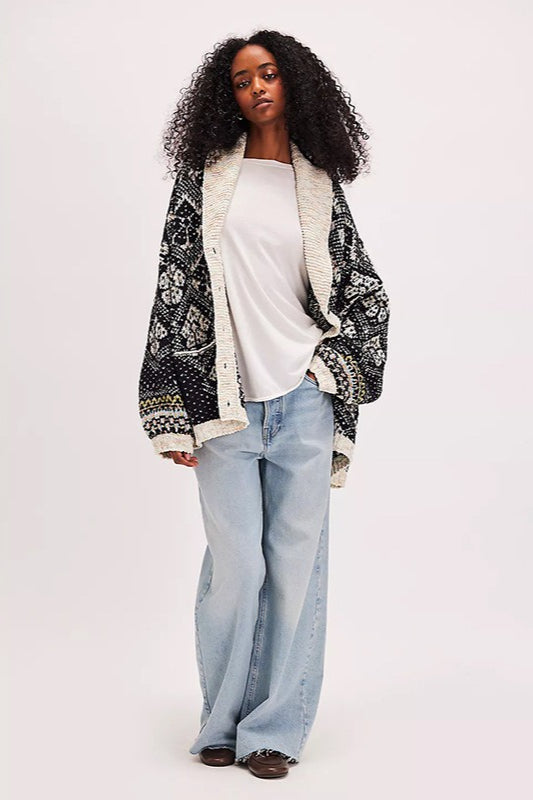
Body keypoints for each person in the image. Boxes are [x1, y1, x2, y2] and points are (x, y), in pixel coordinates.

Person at [138, 29, 390, 779]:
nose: (256, 88)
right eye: (242, 79)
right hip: (223, 406)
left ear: (294, 82)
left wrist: (327, 371)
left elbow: (364, 293)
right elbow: (173, 291)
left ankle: (273, 731)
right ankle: (221, 722)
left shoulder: (317, 184)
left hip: (303, 404)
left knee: (295, 569)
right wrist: (168, 413)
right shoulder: (204, 178)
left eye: (269, 73)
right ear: (227, 97)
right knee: (237, 567)